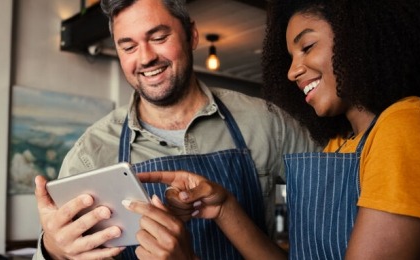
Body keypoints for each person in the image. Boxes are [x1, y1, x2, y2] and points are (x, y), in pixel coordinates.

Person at [141, 0, 420, 259]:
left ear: (360, 36)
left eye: (307, 46)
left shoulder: (406, 125)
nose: (292, 71)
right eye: (289, 56)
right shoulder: (340, 144)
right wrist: (224, 206)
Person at [32, 0, 317, 259]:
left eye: (159, 38)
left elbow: (325, 232)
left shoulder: (269, 123)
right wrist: (53, 250)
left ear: (191, 34)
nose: (145, 58)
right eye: (128, 46)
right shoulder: (90, 153)